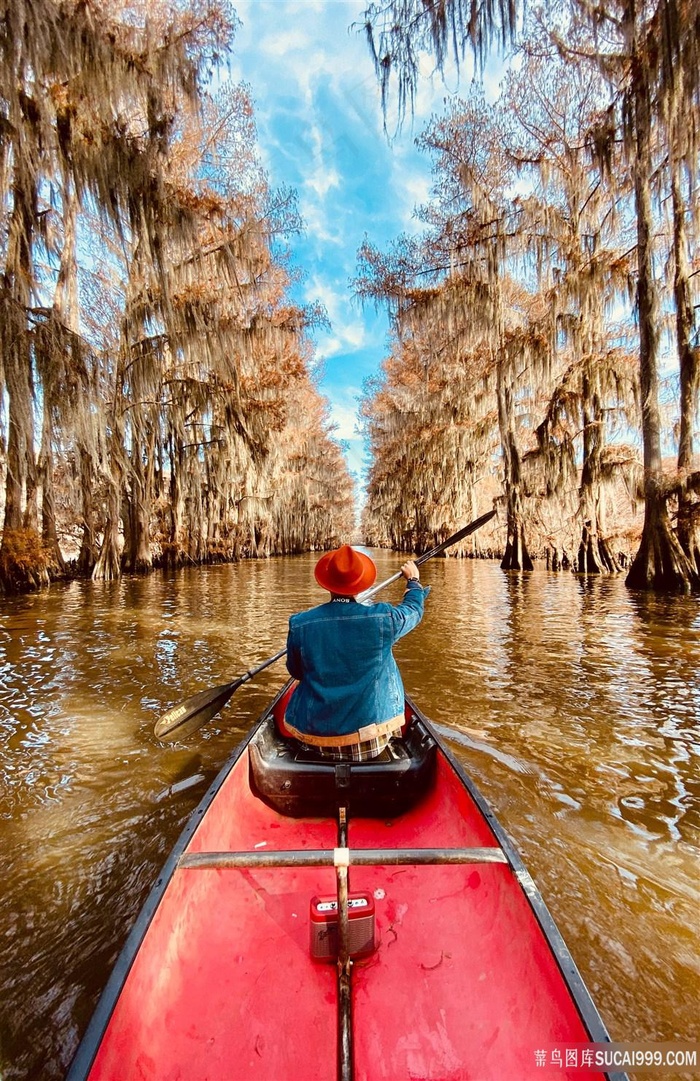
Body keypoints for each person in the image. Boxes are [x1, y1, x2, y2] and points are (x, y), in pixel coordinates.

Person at [283, 544, 429, 761]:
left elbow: (296, 672)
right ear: (360, 586)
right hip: (371, 742)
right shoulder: (384, 618)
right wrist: (414, 583)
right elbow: (413, 611)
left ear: (327, 584)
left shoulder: (301, 623)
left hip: (316, 741)